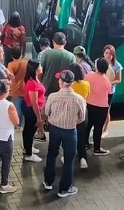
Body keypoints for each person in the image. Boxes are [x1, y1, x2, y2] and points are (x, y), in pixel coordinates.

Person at [42, 69, 84, 198]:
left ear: (61, 81)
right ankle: (64, 189)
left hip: (54, 129)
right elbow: (81, 118)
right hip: (70, 132)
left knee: (51, 155)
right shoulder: (79, 99)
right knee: (69, 159)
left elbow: (46, 112)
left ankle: (48, 181)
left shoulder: (53, 97)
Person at [83, 59, 112, 156]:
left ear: (97, 67)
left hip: (89, 104)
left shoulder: (89, 75)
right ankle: (97, 148)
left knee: (88, 125)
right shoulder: (107, 81)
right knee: (98, 128)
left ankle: (85, 143)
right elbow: (109, 92)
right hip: (102, 108)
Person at [39, 32, 76, 96]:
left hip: (47, 88)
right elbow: (73, 73)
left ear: (53, 41)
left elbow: (40, 71)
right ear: (65, 43)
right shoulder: (71, 56)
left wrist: (39, 84)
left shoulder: (46, 54)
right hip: (63, 89)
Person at [22, 61, 44, 163]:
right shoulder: (32, 83)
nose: (41, 67)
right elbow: (34, 102)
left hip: (30, 108)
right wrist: (39, 118)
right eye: (39, 66)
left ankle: (28, 147)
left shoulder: (34, 79)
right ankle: (29, 154)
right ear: (35, 69)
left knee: (28, 129)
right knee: (30, 131)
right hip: (32, 110)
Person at [102, 45, 122, 136]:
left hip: (110, 91)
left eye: (110, 54)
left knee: (106, 110)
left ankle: (105, 129)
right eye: (106, 53)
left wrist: (109, 83)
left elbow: (119, 80)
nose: (108, 55)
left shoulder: (117, 66)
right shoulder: (100, 62)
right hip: (100, 90)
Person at [7, 47, 28, 128]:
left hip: (15, 88)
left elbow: (10, 76)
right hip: (25, 87)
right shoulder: (26, 63)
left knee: (17, 107)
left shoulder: (11, 64)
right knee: (23, 106)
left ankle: (17, 124)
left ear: (11, 55)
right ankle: (21, 123)